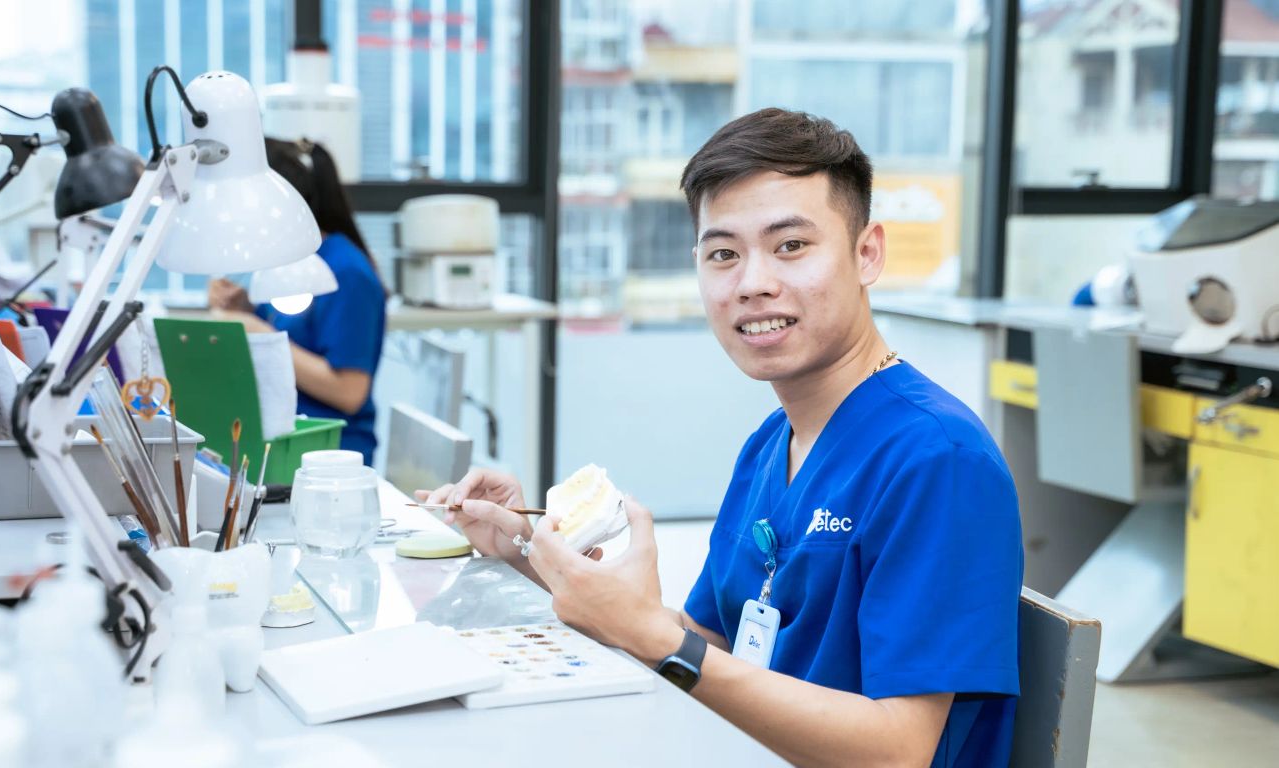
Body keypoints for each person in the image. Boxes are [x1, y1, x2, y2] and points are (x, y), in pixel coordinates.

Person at [418, 109, 1023, 767]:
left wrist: (658, 640)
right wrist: (528, 548)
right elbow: (708, 644)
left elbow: (896, 751)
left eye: (791, 245)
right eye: (723, 254)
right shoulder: (773, 444)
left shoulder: (936, 460)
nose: (753, 283)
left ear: (867, 252)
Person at [209, 138, 387, 461]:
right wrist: (243, 310)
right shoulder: (286, 262)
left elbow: (349, 391)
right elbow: (291, 332)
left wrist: (256, 332)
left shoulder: (346, 273)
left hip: (328, 456)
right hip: (276, 443)